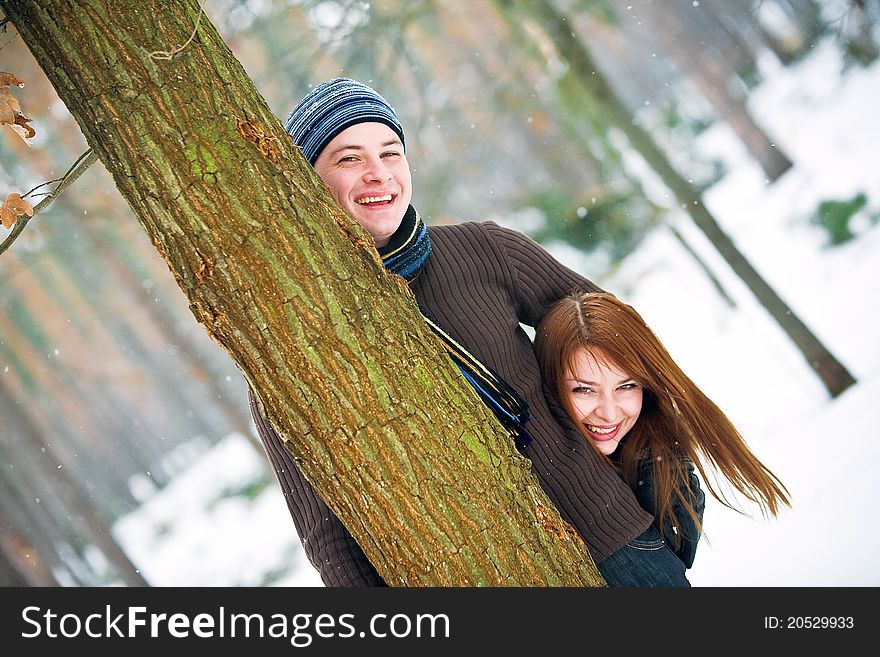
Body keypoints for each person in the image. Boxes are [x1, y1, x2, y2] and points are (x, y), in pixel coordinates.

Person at [250, 77, 687, 587]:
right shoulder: (287, 351)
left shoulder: (483, 251)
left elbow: (623, 349)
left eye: (391, 153)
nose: (378, 174)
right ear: (306, 182)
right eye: (349, 158)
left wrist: (665, 475)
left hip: (620, 550)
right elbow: (330, 537)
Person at [534, 291, 791, 571]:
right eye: (583, 389)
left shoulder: (663, 474)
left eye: (627, 386)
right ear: (549, 382)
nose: (608, 412)